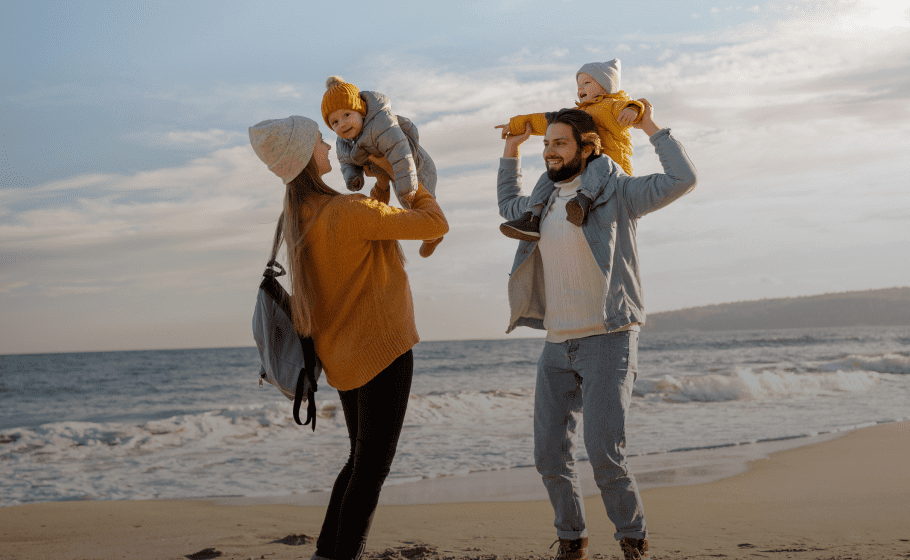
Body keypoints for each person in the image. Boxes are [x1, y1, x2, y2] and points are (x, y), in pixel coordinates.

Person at [495, 102, 696, 560]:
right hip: (556, 344)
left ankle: (632, 537)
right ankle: (571, 539)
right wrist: (511, 150)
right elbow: (509, 204)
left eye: (559, 142)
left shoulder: (619, 193)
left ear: (589, 146)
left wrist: (649, 127)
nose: (549, 151)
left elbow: (682, 179)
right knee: (549, 456)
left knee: (605, 454)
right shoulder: (543, 201)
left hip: (609, 337)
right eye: (546, 143)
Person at [248, 115, 448, 560]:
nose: (327, 145)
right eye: (320, 141)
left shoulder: (297, 217)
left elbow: (363, 237)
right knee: (371, 469)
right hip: (383, 350)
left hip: (341, 358)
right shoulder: (346, 212)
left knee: (359, 461)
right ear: (305, 158)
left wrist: (378, 186)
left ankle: (326, 552)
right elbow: (434, 224)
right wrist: (407, 182)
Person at [495, 59, 645, 238]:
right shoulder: (577, 115)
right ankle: (532, 216)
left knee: (601, 163)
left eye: (587, 83)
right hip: (583, 172)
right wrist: (515, 126)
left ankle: (583, 202)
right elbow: (545, 120)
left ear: (606, 87)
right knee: (550, 174)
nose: (581, 88)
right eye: (579, 84)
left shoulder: (612, 106)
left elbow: (632, 105)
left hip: (612, 175)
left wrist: (634, 110)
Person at [322, 76, 444, 257]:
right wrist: (353, 177)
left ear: (361, 111)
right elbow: (345, 161)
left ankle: (433, 237)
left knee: (413, 204)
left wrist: (405, 184)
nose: (343, 124)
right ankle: (431, 233)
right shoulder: (344, 141)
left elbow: (400, 151)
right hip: (388, 172)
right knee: (399, 205)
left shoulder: (380, 124)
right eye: (335, 122)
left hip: (415, 166)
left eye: (347, 115)